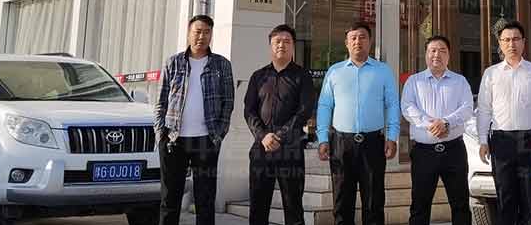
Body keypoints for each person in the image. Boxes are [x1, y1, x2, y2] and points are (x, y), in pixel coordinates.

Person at [316, 23, 400, 225]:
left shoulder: (383, 71)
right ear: (346, 43)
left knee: (374, 202)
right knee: (342, 202)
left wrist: (392, 136)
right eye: (353, 38)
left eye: (362, 37)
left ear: (370, 42)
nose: (357, 42)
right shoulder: (335, 71)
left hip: (373, 143)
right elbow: (325, 105)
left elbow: (392, 104)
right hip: (341, 143)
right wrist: (322, 138)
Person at [154, 15, 235, 225]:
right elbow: (161, 102)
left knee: (205, 200)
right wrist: (161, 134)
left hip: (206, 140)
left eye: (207, 32)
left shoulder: (221, 65)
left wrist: (218, 136)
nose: (202, 36)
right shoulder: (173, 62)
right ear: (189, 34)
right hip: (174, 139)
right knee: (170, 199)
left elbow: (228, 103)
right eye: (197, 32)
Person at [475, 20, 531, 225]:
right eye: (507, 40)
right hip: (501, 141)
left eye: (516, 39)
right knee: (505, 196)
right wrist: (483, 141)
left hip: (530, 140)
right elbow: (484, 110)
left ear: (524, 42)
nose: (512, 44)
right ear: (500, 44)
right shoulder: (491, 74)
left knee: (530, 197)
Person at [243, 24, 315, 225]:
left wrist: (280, 136)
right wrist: (263, 136)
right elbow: (249, 111)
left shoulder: (302, 76)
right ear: (270, 45)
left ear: (293, 46)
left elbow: (304, 111)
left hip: (291, 150)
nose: (282, 45)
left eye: (287, 41)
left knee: (293, 208)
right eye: (277, 41)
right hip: (261, 149)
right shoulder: (258, 76)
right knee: (258, 208)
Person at [401, 36, 473, 225]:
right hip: (424, 153)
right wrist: (431, 125)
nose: (437, 55)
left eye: (442, 51)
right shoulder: (414, 81)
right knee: (419, 205)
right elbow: (407, 107)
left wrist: (446, 123)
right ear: (426, 54)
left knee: (460, 204)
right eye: (432, 50)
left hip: (454, 151)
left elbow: (467, 108)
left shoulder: (460, 81)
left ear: (449, 55)